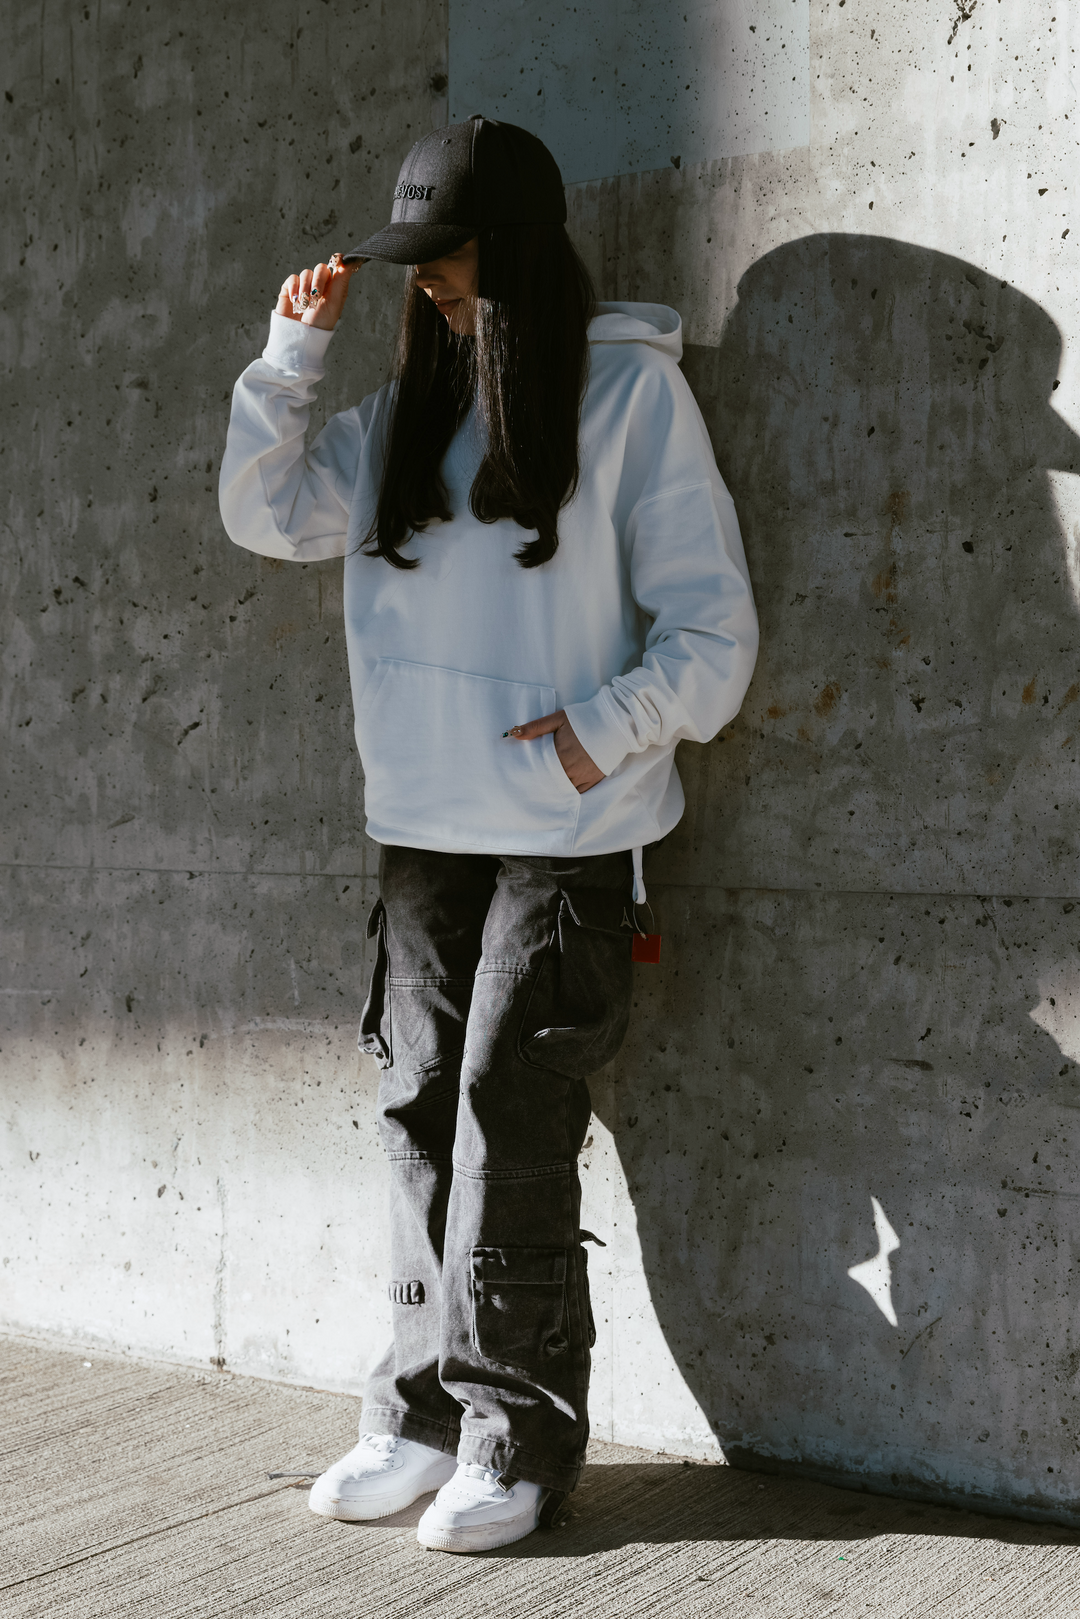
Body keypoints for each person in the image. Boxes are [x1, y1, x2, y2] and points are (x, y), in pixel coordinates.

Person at [219, 114, 758, 1554]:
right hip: (418, 830)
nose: (429, 287)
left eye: (447, 260)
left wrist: (596, 731)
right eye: (416, 266)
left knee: (509, 1127)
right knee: (411, 1125)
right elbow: (264, 514)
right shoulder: (397, 418)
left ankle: (517, 1433)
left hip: (568, 836)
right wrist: (289, 363)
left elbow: (716, 641)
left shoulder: (632, 401)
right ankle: (416, 1414)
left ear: (512, 251)